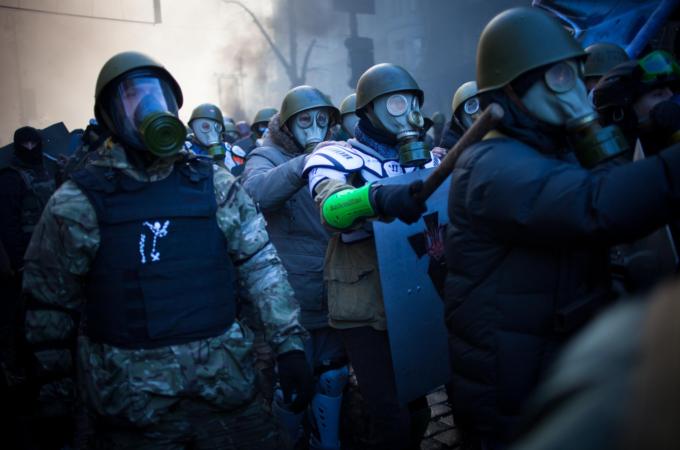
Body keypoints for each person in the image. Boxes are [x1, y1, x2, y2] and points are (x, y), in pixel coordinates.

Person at [21, 50, 313, 449]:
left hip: (226, 392)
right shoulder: (78, 202)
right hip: (133, 407)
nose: (147, 106)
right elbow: (48, 306)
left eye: (157, 94)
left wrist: (289, 345)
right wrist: (53, 398)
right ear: (109, 115)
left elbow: (261, 266)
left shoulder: (214, 185)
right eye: (130, 97)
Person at [444, 7, 680, 448]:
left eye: (575, 73)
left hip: (549, 352)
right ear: (513, 89)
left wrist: (612, 114)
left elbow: (614, 177)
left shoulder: (548, 147)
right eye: (557, 77)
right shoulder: (492, 165)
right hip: (511, 386)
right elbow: (599, 205)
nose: (573, 89)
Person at [303, 63, 438, 450]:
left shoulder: (431, 158)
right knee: (389, 413)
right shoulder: (334, 156)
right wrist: (376, 197)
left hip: (416, 291)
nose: (408, 113)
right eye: (396, 103)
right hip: (364, 302)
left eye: (413, 102)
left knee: (418, 405)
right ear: (368, 110)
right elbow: (331, 208)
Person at [242, 85, 348, 450]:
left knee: (332, 375)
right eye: (305, 121)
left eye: (322, 120)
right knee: (292, 385)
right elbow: (254, 193)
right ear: (287, 125)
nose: (314, 128)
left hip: (335, 284)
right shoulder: (266, 155)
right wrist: (304, 163)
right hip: (291, 295)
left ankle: (326, 441)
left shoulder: (338, 150)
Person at [0, 125, 59, 449]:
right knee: (22, 320)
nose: (31, 148)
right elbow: (7, 222)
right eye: (26, 144)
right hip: (26, 259)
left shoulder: (49, 167)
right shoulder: (10, 178)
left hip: (52, 255)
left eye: (34, 143)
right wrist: (16, 259)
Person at [594, 50, 680, 156]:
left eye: (672, 91)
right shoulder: (614, 159)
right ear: (623, 112)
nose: (671, 96)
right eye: (658, 94)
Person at [187, 102, 246, 175]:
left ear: (221, 129)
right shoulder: (184, 150)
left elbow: (245, 176)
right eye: (205, 126)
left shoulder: (232, 152)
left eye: (217, 127)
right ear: (193, 127)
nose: (211, 132)